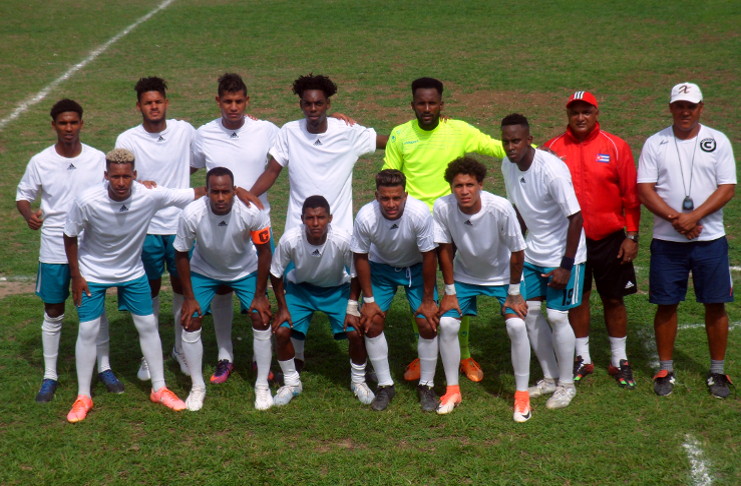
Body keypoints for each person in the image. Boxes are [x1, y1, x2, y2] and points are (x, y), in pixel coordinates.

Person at [383, 77, 512, 384]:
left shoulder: (459, 130)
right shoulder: (400, 135)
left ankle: (464, 354)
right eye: (421, 103)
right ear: (412, 104)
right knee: (421, 291)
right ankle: (423, 352)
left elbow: (495, 147)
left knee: (459, 289)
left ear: (442, 105)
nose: (426, 108)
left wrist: (539, 154)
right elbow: (391, 179)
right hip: (415, 224)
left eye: (432, 103)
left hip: (453, 223)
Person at [63, 148, 204, 423]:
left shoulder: (148, 195)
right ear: (106, 176)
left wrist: (237, 190)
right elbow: (69, 235)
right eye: (115, 176)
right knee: (88, 329)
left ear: (135, 176)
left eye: (126, 176)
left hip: (132, 272)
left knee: (148, 326)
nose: (121, 182)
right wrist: (76, 275)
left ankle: (159, 388)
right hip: (93, 274)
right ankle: (83, 396)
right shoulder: (87, 200)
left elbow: (192, 193)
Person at [16, 99, 122, 403]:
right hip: (53, 246)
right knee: (53, 310)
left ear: (81, 124)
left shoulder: (97, 158)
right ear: (53, 126)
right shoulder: (40, 161)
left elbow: (114, 188)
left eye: (74, 122)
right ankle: (50, 376)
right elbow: (23, 196)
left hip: (91, 247)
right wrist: (28, 215)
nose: (68, 128)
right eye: (63, 123)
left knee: (95, 310)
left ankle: (105, 367)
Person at [637, 82, 736, 399]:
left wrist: (693, 218)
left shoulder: (717, 141)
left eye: (690, 106)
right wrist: (675, 219)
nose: (685, 111)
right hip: (668, 241)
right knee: (666, 304)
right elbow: (645, 189)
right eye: (679, 105)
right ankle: (666, 368)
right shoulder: (656, 143)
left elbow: (727, 187)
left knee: (715, 304)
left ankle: (718, 372)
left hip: (710, 239)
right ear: (670, 108)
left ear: (701, 108)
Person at [545, 91, 639, 389]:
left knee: (614, 298)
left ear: (596, 113)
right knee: (579, 299)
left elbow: (630, 195)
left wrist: (632, 235)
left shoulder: (615, 146)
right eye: (575, 112)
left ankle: (619, 359)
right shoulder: (552, 148)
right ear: (568, 115)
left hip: (609, 238)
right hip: (572, 241)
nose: (581, 117)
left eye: (586, 111)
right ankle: (583, 358)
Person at [190, 73, 278, 384]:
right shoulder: (203, 134)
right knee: (222, 289)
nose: (234, 107)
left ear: (247, 101)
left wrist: (250, 195)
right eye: (227, 101)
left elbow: (284, 155)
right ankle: (224, 356)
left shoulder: (264, 129)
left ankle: (259, 359)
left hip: (255, 223)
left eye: (239, 101)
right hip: (216, 225)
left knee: (259, 293)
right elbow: (187, 167)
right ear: (218, 101)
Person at [501, 113, 586, 410]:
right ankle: (549, 378)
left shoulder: (552, 170)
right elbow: (520, 210)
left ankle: (566, 384)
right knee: (531, 315)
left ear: (528, 139)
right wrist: (516, 247)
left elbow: (575, 218)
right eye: (506, 141)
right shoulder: (507, 165)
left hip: (564, 255)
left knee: (558, 317)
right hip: (532, 253)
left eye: (516, 141)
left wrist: (566, 264)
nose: (511, 147)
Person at [434, 157, 531, 421]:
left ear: (480, 185)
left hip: (502, 278)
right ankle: (452, 389)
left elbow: (517, 251)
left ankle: (522, 395)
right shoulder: (442, 207)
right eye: (458, 185)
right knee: (447, 325)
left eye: (469, 185)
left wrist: (514, 292)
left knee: (516, 326)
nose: (464, 191)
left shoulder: (500, 208)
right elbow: (444, 249)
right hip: (464, 277)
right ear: (451, 187)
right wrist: (449, 291)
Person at [115, 76, 196, 382]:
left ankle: (180, 350)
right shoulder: (128, 139)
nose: (154, 107)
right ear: (139, 106)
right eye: (148, 103)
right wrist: (137, 183)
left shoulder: (184, 130)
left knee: (181, 289)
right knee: (146, 290)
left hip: (179, 226)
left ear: (166, 103)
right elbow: (116, 177)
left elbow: (202, 156)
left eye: (158, 101)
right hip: (143, 228)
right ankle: (150, 357)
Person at [174, 167, 273, 411]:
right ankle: (197, 386)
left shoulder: (251, 210)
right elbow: (180, 253)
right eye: (215, 192)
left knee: (261, 317)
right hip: (204, 270)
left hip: (244, 269)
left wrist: (260, 296)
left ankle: (262, 385)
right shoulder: (191, 213)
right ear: (206, 192)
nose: (220, 198)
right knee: (190, 320)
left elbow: (264, 252)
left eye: (225, 192)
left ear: (234, 191)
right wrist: (188, 297)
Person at [250, 73, 388, 234]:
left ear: (328, 104)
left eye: (318, 103)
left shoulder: (347, 132)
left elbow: (387, 141)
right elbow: (272, 171)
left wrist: (419, 134)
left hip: (339, 234)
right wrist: (248, 196)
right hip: (298, 232)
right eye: (308, 104)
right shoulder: (289, 131)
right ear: (301, 104)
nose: (313, 108)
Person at [269, 195, 374, 406]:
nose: (315, 223)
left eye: (320, 217)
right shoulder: (290, 239)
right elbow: (275, 272)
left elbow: (356, 274)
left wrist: (352, 307)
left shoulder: (343, 239)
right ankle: (291, 383)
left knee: (355, 332)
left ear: (330, 218)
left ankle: (358, 381)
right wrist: (282, 308)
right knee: (281, 330)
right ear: (302, 218)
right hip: (301, 290)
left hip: (337, 290)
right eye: (310, 218)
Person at [352, 170, 439, 412]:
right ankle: (385, 385)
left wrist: (428, 300)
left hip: (416, 268)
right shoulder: (365, 216)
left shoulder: (420, 212)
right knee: (372, 321)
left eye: (397, 198)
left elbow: (429, 256)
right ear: (376, 195)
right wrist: (368, 300)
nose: (391, 204)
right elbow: (360, 257)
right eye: (385, 198)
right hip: (381, 268)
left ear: (406, 195)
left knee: (427, 321)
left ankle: (427, 386)